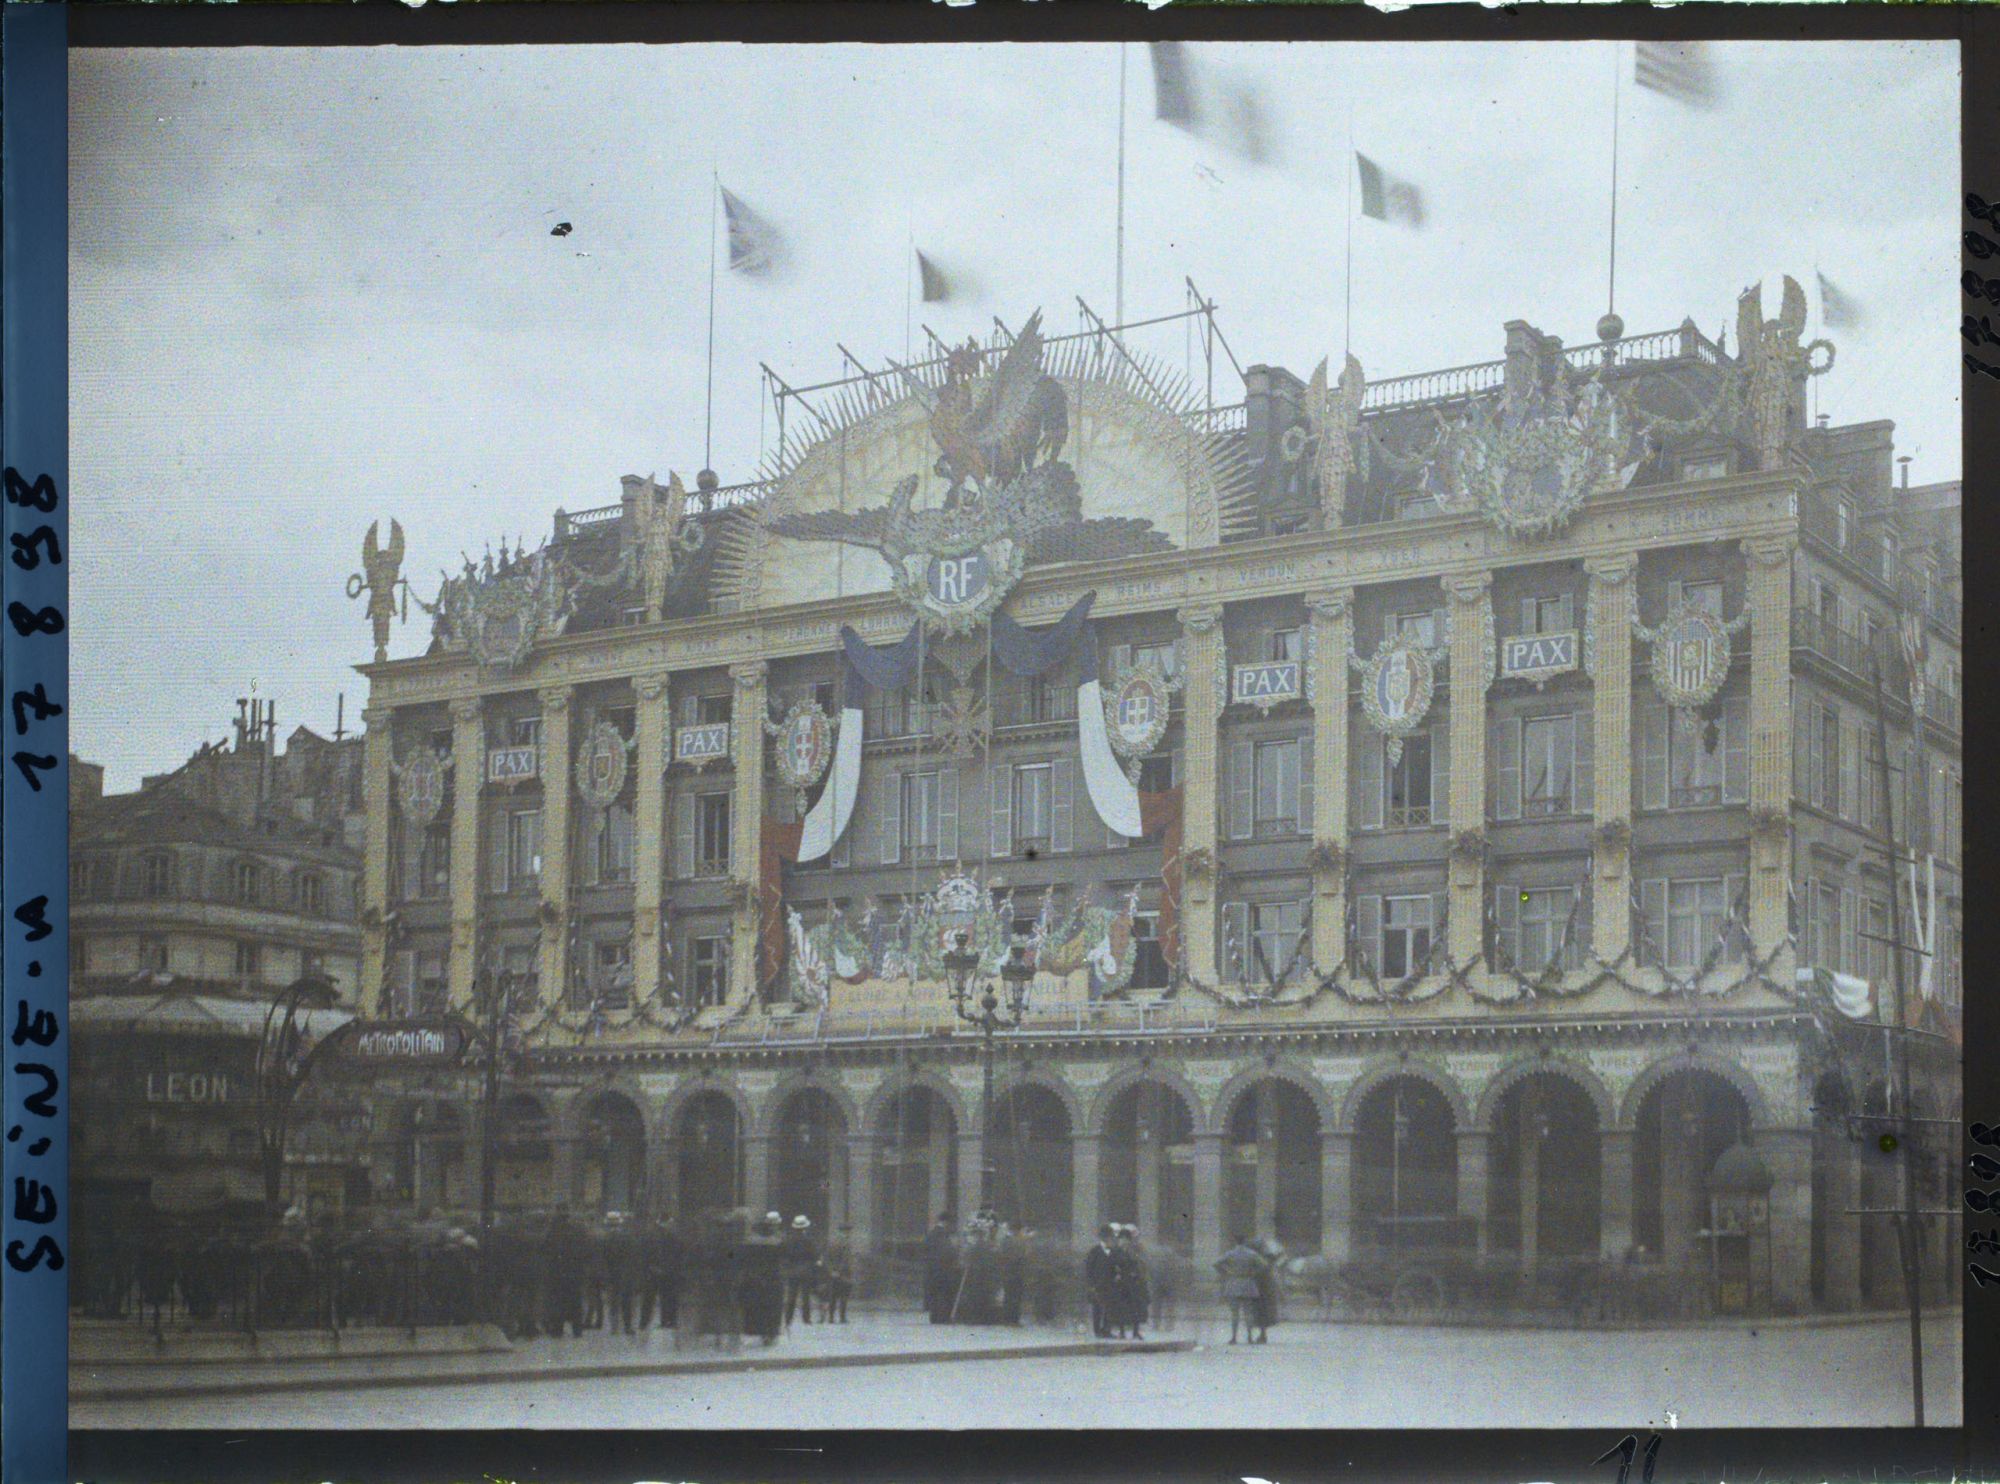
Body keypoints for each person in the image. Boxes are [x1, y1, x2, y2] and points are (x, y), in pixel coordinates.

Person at [739, 1212, 785, 1344]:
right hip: (773, 1278)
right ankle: (770, 1334)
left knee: (757, 1306)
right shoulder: (778, 1241)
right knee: (772, 1307)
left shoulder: (750, 1241)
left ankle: (759, 1332)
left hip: (755, 1278)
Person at [1215, 1235, 1267, 1344]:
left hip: (1233, 1282)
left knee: (1234, 1313)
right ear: (1245, 1242)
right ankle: (1249, 1337)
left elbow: (1216, 1264)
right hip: (1248, 1283)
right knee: (1248, 1312)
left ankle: (1234, 1337)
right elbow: (1263, 1265)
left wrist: (1227, 1272)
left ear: (1235, 1241)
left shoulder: (1231, 1253)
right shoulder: (1252, 1254)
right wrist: (1254, 1273)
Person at [639, 1216, 683, 1331]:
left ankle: (644, 1322)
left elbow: (645, 1254)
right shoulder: (673, 1238)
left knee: (650, 1298)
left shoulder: (650, 1237)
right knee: (667, 1297)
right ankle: (668, 1321)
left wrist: (649, 1267)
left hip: (654, 1271)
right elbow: (677, 1256)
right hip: (666, 1271)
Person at [1108, 1226, 1149, 1340]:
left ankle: (1136, 1332)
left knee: (1135, 1308)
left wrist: (1137, 1274)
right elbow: (1111, 1266)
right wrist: (1115, 1275)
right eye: (1122, 1239)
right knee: (1121, 1308)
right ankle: (1122, 1332)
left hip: (1133, 1283)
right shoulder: (1115, 1252)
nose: (1124, 1241)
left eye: (1126, 1239)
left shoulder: (1133, 1252)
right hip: (1121, 1284)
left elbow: (1140, 1265)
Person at [602, 1212, 639, 1336]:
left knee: (613, 1301)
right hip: (625, 1273)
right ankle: (627, 1326)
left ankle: (614, 1327)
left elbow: (603, 1258)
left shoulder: (605, 1238)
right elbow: (633, 1256)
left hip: (612, 1274)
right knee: (626, 1301)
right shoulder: (627, 1237)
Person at [781, 1214, 821, 1328]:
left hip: (792, 1271)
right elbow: (815, 1255)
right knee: (805, 1296)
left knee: (791, 1296)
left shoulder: (789, 1240)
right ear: (805, 1228)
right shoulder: (809, 1241)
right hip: (806, 1271)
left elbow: (785, 1255)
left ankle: (788, 1319)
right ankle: (806, 1319)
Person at [922, 1214, 960, 1325]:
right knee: (944, 1294)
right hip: (943, 1270)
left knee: (935, 1294)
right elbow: (947, 1251)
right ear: (946, 1222)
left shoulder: (932, 1234)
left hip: (933, 1270)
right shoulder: (942, 1235)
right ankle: (943, 1317)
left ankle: (935, 1317)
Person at [1083, 1224, 1115, 1338]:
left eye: (1110, 1237)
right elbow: (1089, 1268)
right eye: (1107, 1237)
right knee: (1097, 1308)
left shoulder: (1113, 1251)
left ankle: (1106, 1330)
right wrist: (1091, 1284)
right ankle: (1097, 1331)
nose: (1109, 1239)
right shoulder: (1095, 1251)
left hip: (1110, 1284)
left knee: (1110, 1308)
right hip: (1097, 1284)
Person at [819, 1225, 853, 1324]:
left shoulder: (831, 1243)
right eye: (846, 1232)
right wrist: (838, 1271)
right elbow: (845, 1260)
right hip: (843, 1273)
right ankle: (842, 1318)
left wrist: (831, 1271)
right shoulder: (845, 1244)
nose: (847, 1234)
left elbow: (826, 1259)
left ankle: (831, 1318)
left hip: (833, 1273)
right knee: (843, 1295)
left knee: (833, 1295)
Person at [997, 1222, 1025, 1326]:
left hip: (1008, 1272)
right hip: (1016, 1272)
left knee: (1009, 1296)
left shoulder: (1005, 1241)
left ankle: (1008, 1319)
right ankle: (1013, 1319)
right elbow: (1021, 1256)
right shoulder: (1018, 1241)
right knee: (1015, 1296)